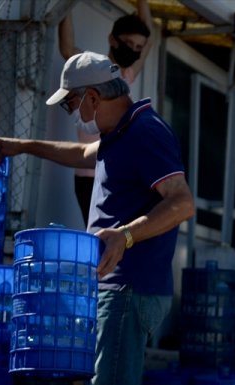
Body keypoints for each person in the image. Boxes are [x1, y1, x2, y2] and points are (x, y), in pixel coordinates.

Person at [0, 51, 195, 385]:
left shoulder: (146, 132)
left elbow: (182, 202)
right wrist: (23, 146)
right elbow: (83, 156)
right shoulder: (118, 135)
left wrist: (123, 236)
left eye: (73, 104)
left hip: (129, 288)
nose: (73, 113)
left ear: (94, 97)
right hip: (116, 287)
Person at [58, 0, 154, 225]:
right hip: (89, 175)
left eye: (138, 48)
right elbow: (67, 49)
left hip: (116, 171)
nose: (134, 50)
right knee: (100, 239)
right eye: (129, 43)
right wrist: (63, 7)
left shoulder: (126, 75)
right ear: (113, 39)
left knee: (117, 239)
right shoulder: (91, 70)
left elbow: (148, 38)